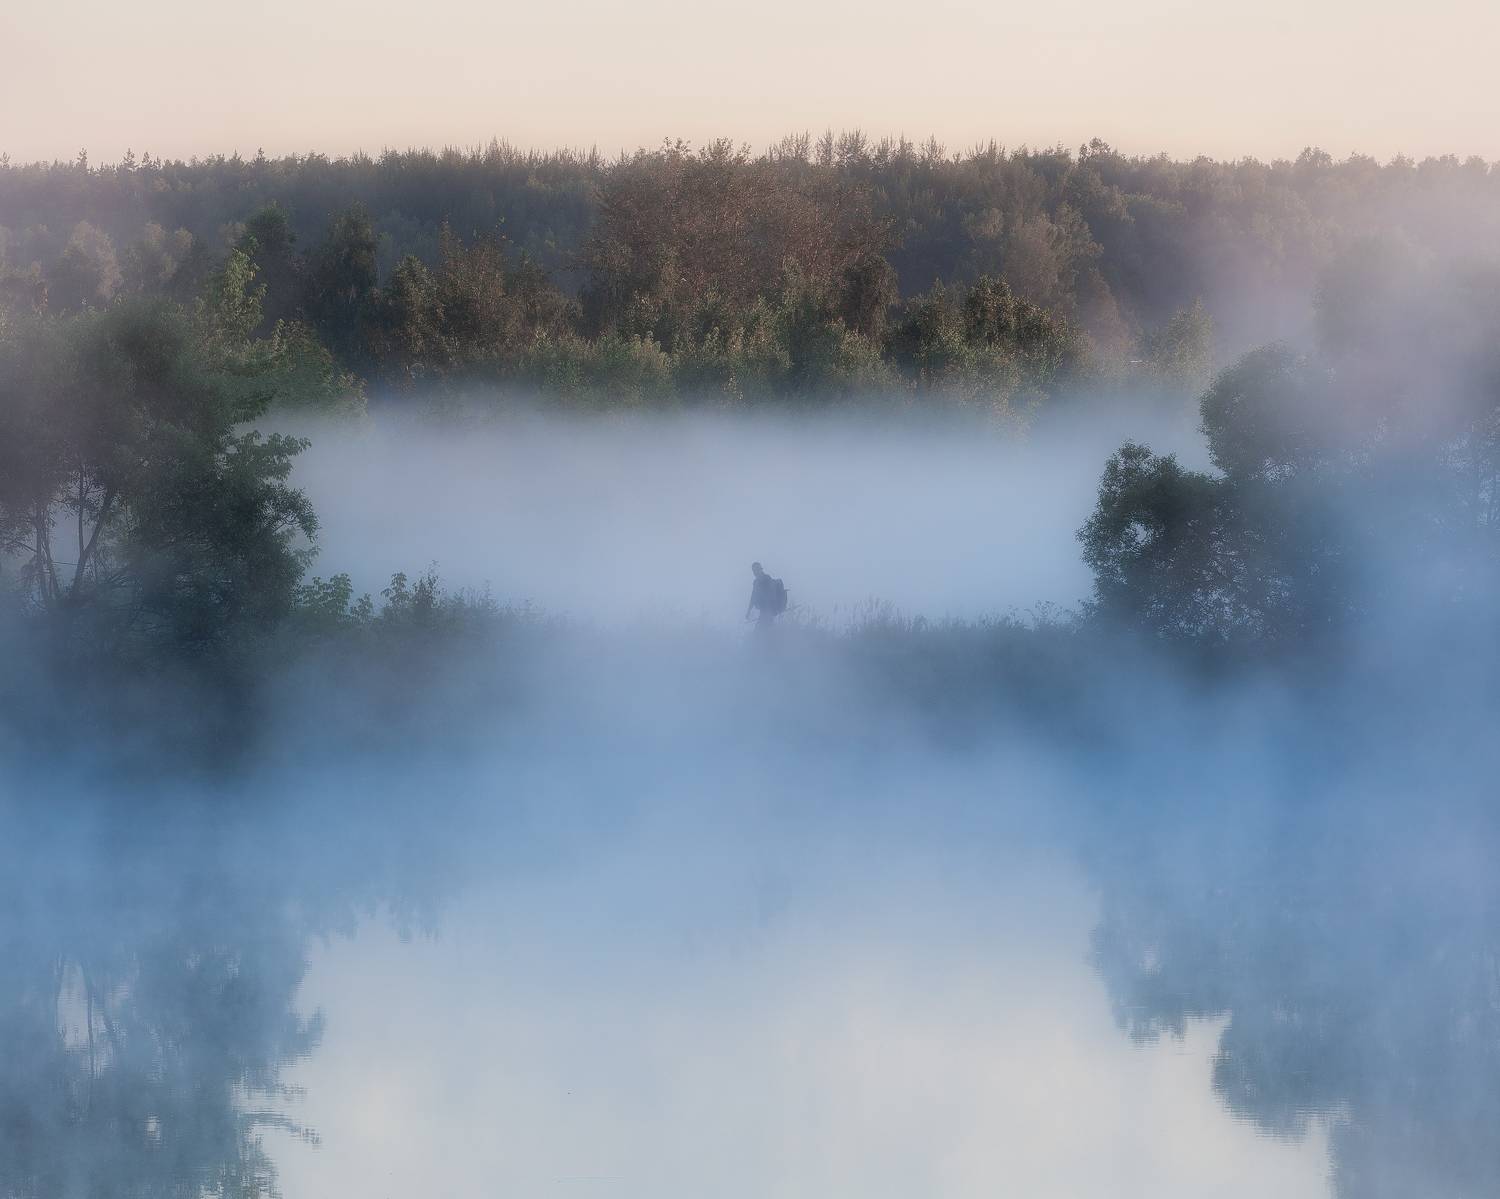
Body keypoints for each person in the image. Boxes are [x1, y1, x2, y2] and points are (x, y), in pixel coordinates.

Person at [745, 561, 787, 631]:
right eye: (754, 571)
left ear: (759, 570)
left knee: (760, 631)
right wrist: (748, 612)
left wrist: (772, 609)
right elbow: (753, 598)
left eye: (756, 570)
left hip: (768, 610)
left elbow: (772, 594)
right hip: (765, 611)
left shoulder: (767, 579)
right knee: (764, 630)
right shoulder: (756, 582)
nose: (754, 573)